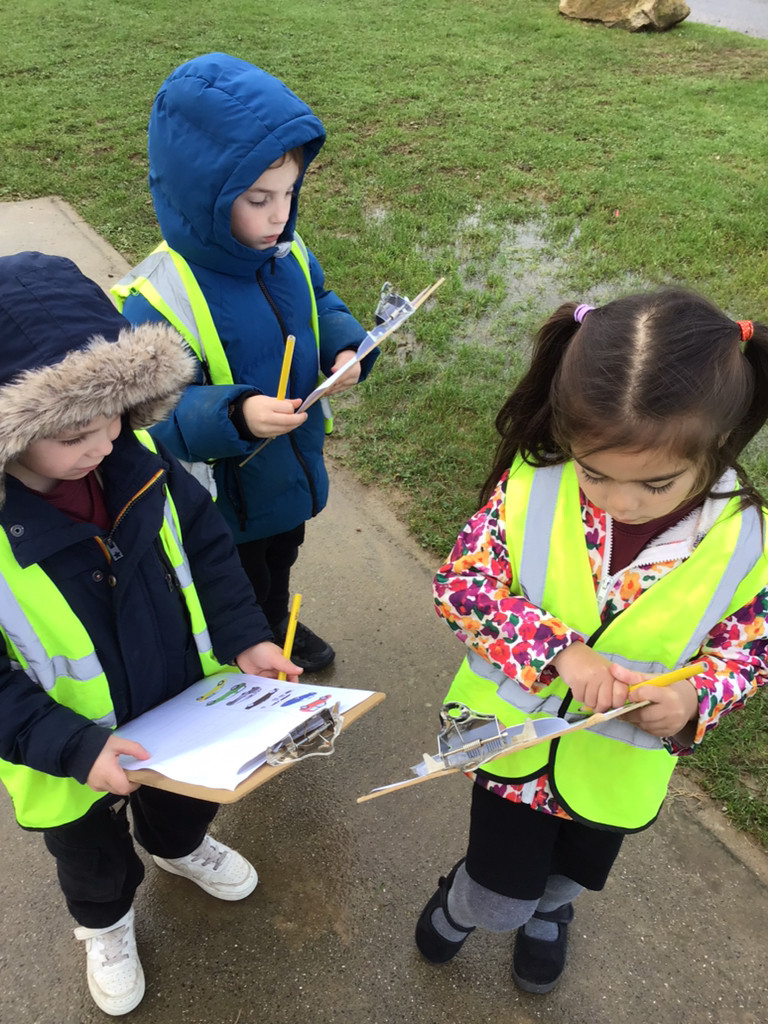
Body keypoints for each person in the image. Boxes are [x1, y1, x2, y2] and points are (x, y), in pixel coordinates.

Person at [414, 290, 768, 993]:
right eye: (594, 471)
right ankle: (467, 899)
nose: (619, 501)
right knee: (497, 891)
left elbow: (751, 649)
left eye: (656, 483)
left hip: (614, 771)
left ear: (716, 447)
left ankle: (552, 915)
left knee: (569, 877)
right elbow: (462, 587)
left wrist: (695, 697)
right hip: (509, 745)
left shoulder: (745, 542)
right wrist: (560, 654)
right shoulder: (532, 490)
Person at [0, 251, 301, 1016]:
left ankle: (177, 847)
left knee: (184, 803)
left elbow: (208, 548)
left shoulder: (138, 464)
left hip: (178, 699)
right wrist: (73, 747)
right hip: (68, 750)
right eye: (74, 436)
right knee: (90, 858)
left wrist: (246, 637)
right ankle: (105, 924)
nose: (101, 447)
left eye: (113, 421)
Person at [113, 53, 378, 674]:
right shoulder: (158, 292)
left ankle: (274, 621)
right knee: (232, 574)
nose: (279, 214)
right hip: (219, 491)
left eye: (288, 193)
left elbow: (322, 301)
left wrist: (344, 346)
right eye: (258, 198)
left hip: (286, 466)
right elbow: (153, 409)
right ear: (205, 194)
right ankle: (238, 648)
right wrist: (236, 412)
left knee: (282, 553)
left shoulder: (287, 252)